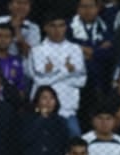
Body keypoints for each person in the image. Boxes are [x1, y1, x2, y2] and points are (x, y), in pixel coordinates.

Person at [30, 10, 86, 138]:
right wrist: (67, 72)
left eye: (61, 25)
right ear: (45, 27)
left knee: (75, 142)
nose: (57, 30)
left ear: (66, 27)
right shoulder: (36, 50)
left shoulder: (75, 49)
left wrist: (52, 74)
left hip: (68, 109)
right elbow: (39, 80)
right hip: (42, 110)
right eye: (53, 26)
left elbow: (82, 80)